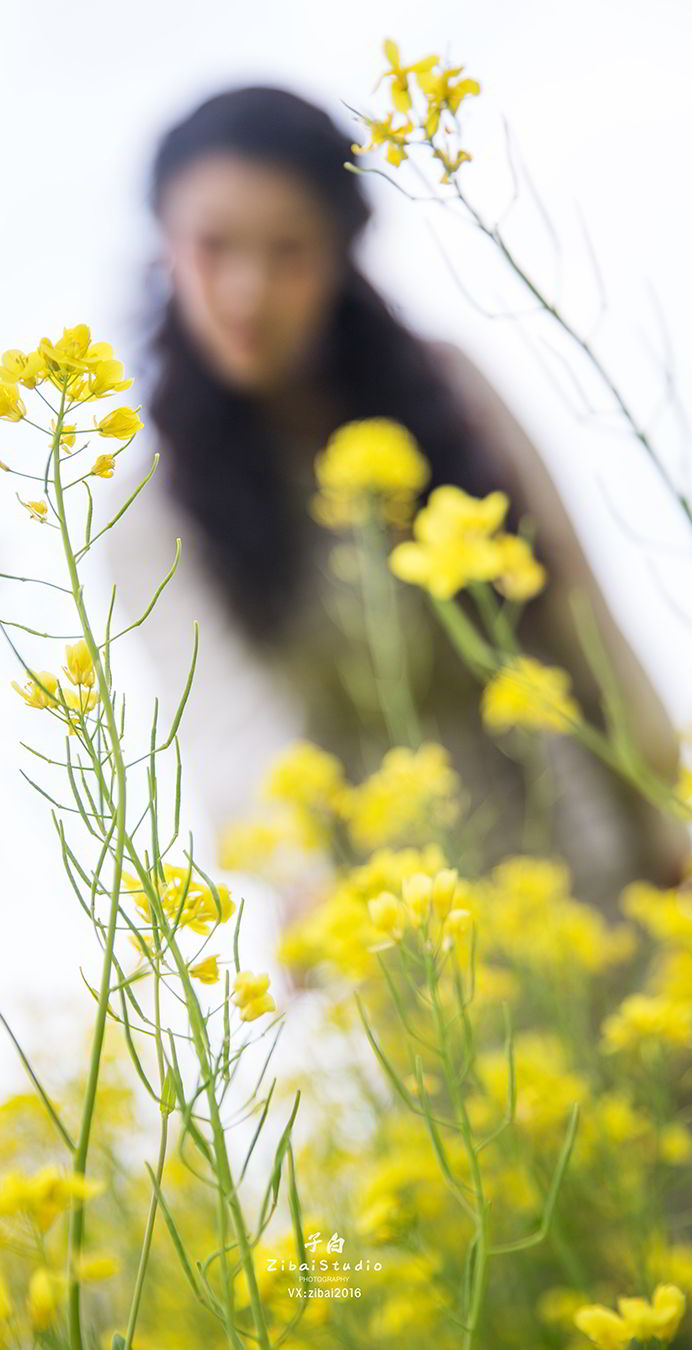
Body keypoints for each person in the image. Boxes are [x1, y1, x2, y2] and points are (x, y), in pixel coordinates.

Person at [104, 84, 689, 918]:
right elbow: (231, 731)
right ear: (165, 245)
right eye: (214, 247)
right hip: (398, 928)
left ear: (343, 255)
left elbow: (576, 609)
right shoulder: (148, 507)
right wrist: (309, 888)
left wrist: (670, 812)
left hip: (590, 862)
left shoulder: (449, 390)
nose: (246, 291)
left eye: (288, 252)